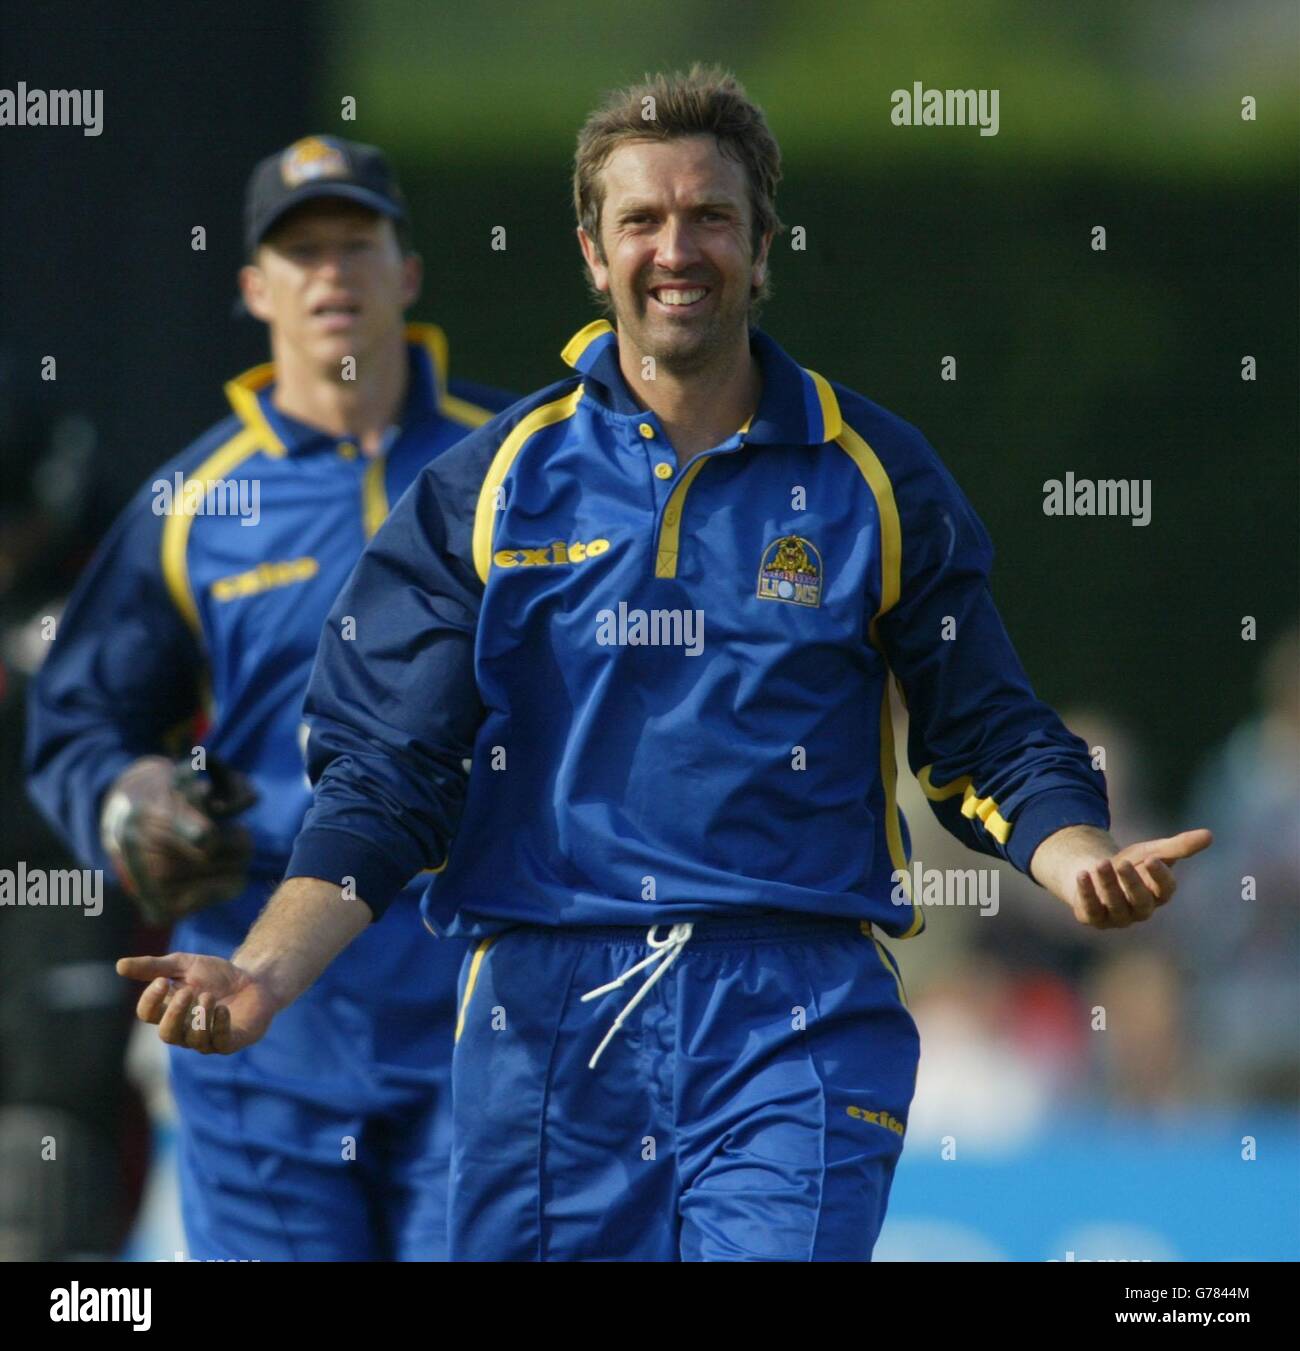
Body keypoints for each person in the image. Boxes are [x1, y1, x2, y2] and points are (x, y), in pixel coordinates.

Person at [116, 73, 1211, 1262]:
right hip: (544, 1018)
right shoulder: (487, 488)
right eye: (640, 220)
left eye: (708, 217)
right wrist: (263, 978)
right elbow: (385, 782)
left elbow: (985, 727)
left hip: (794, 1009)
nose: (674, 249)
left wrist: (1073, 849)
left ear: (761, 247)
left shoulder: (873, 476)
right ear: (592, 252)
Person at [27, 134, 514, 1260]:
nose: (330, 273)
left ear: (408, 272)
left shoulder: (518, 467)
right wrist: (128, 800)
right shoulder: (192, 502)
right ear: (254, 287)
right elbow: (77, 722)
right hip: (259, 999)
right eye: (300, 253)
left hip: (482, 990)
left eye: (357, 244)